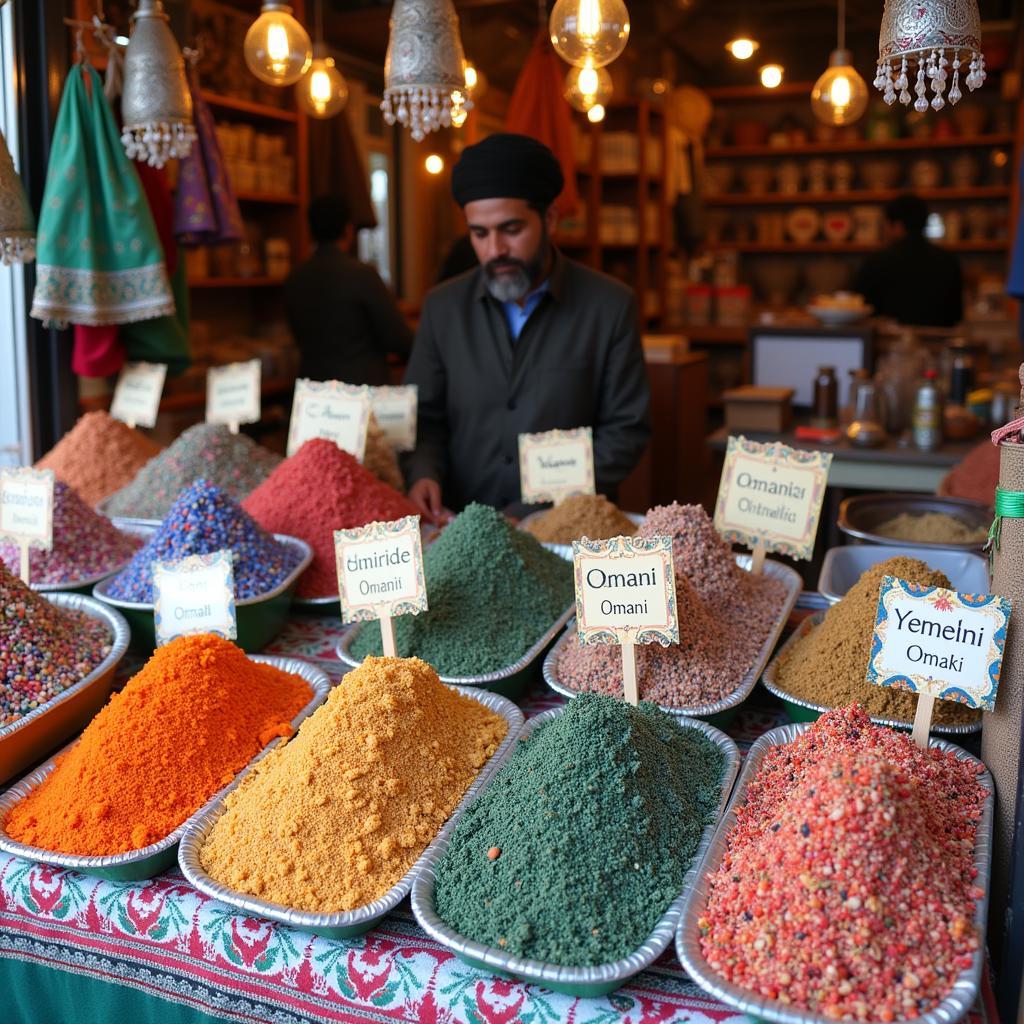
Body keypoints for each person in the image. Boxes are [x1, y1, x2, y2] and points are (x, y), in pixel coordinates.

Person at [402, 133, 651, 520]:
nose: (495, 250)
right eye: (479, 234)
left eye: (511, 229)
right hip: (461, 526)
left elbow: (625, 431)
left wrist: (535, 512)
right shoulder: (442, 308)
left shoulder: (610, 307)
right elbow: (424, 418)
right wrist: (422, 473)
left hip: (566, 529)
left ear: (549, 219)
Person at [285, 195, 413, 385]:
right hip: (359, 390)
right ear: (348, 229)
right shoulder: (363, 275)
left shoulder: (294, 277)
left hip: (312, 389)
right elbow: (398, 339)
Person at [853, 194, 964, 327]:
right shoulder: (948, 260)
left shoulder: (877, 261)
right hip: (939, 342)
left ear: (897, 225)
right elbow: (956, 314)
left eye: (886, 224)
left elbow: (859, 309)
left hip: (889, 341)